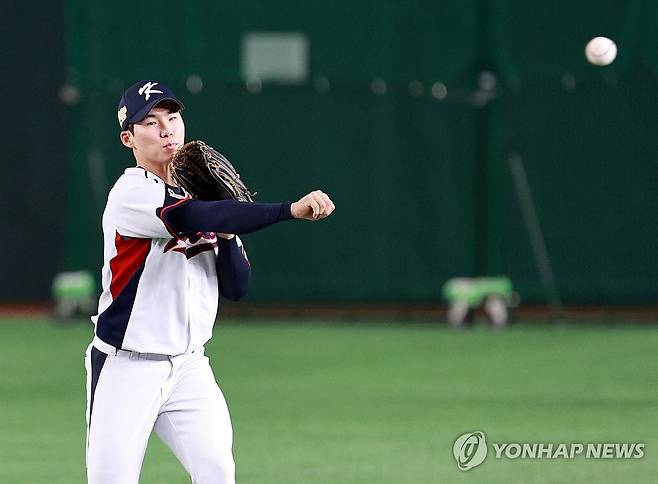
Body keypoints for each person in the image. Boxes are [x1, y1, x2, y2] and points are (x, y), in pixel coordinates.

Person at [85, 79, 335, 484]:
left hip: (188, 368)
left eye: (172, 116)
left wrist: (229, 227)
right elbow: (193, 218)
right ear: (128, 138)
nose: (166, 129)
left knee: (218, 472)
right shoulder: (131, 193)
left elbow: (237, 287)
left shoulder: (202, 200)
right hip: (126, 368)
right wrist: (287, 209)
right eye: (150, 122)